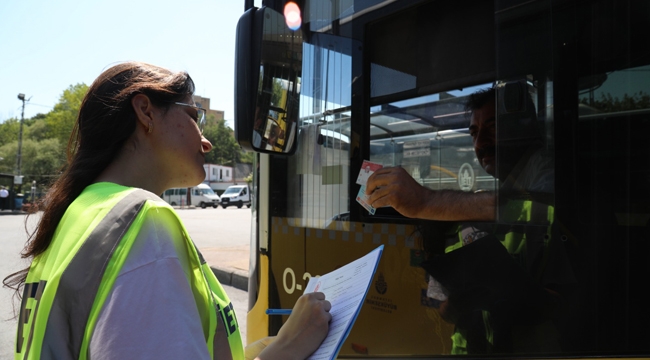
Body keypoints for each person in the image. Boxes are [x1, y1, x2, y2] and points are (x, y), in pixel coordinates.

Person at [3, 62, 331, 360]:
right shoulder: (142, 221)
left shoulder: (81, 212)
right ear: (145, 111)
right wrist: (290, 345)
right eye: (194, 117)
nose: (207, 142)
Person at [365, 85, 574, 354]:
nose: (480, 143)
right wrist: (458, 305)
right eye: (474, 133)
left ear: (524, 127)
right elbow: (447, 312)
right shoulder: (514, 184)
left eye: (492, 127)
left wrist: (426, 201)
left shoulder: (544, 170)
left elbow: (539, 207)